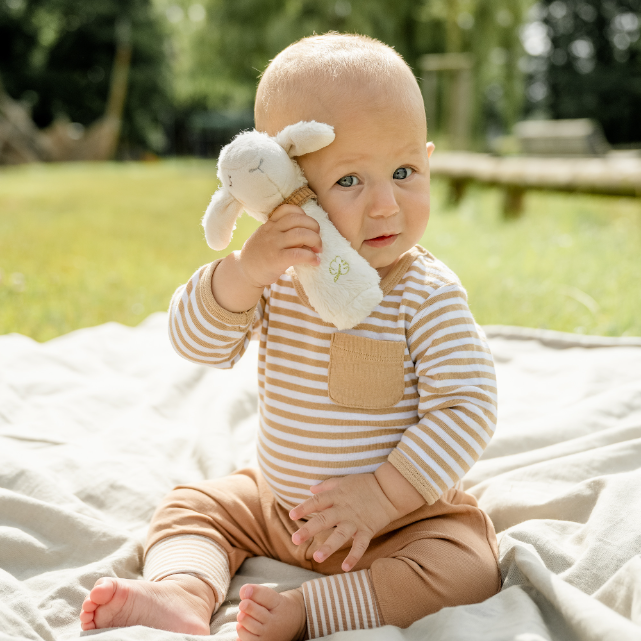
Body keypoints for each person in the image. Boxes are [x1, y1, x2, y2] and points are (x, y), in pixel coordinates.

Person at [79, 32, 501, 640]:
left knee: (466, 567)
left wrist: (381, 498)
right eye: (350, 181)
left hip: (398, 523)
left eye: (404, 172)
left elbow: (468, 406)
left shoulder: (423, 293)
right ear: (284, 185)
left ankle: (317, 610)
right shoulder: (279, 275)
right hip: (279, 508)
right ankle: (182, 592)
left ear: (428, 161)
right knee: (191, 505)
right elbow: (197, 344)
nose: (386, 205)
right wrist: (243, 273)